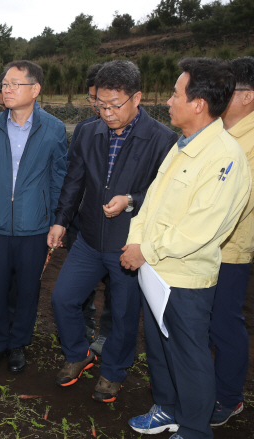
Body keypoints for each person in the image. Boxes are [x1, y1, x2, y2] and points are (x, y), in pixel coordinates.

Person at [123, 58, 251, 439]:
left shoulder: (225, 157)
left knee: (190, 356)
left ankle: (195, 430)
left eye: (176, 93)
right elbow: (153, 203)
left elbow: (201, 227)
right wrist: (136, 239)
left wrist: (146, 250)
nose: (168, 101)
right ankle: (167, 408)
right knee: (161, 349)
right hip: (158, 272)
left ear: (198, 103)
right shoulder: (183, 145)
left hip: (186, 279)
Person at [49, 60, 177, 402]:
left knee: (123, 315)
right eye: (100, 105)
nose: (107, 113)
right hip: (89, 239)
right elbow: (73, 181)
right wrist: (61, 220)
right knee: (63, 299)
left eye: (114, 105)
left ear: (137, 98)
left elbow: (167, 195)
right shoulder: (88, 132)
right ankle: (79, 354)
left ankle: (113, 373)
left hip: (129, 246)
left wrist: (131, 199)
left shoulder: (163, 139)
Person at [0, 60, 67, 374]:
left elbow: (57, 180)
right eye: (4, 84)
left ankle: (18, 345)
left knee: (28, 290)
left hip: (34, 226)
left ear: (35, 89)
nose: (6, 89)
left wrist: (56, 221)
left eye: (14, 84)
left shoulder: (53, 128)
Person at [207, 56, 254, 427]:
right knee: (205, 321)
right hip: (204, 247)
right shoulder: (218, 130)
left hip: (230, 248)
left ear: (248, 96)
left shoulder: (249, 141)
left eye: (230, 89)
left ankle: (229, 397)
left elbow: (234, 203)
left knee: (224, 322)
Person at [64, 63, 111, 350]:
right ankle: (82, 327)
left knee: (116, 288)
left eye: (102, 99)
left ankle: (107, 334)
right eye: (92, 98)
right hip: (82, 224)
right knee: (81, 286)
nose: (97, 105)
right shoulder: (83, 130)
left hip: (118, 229)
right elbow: (73, 178)